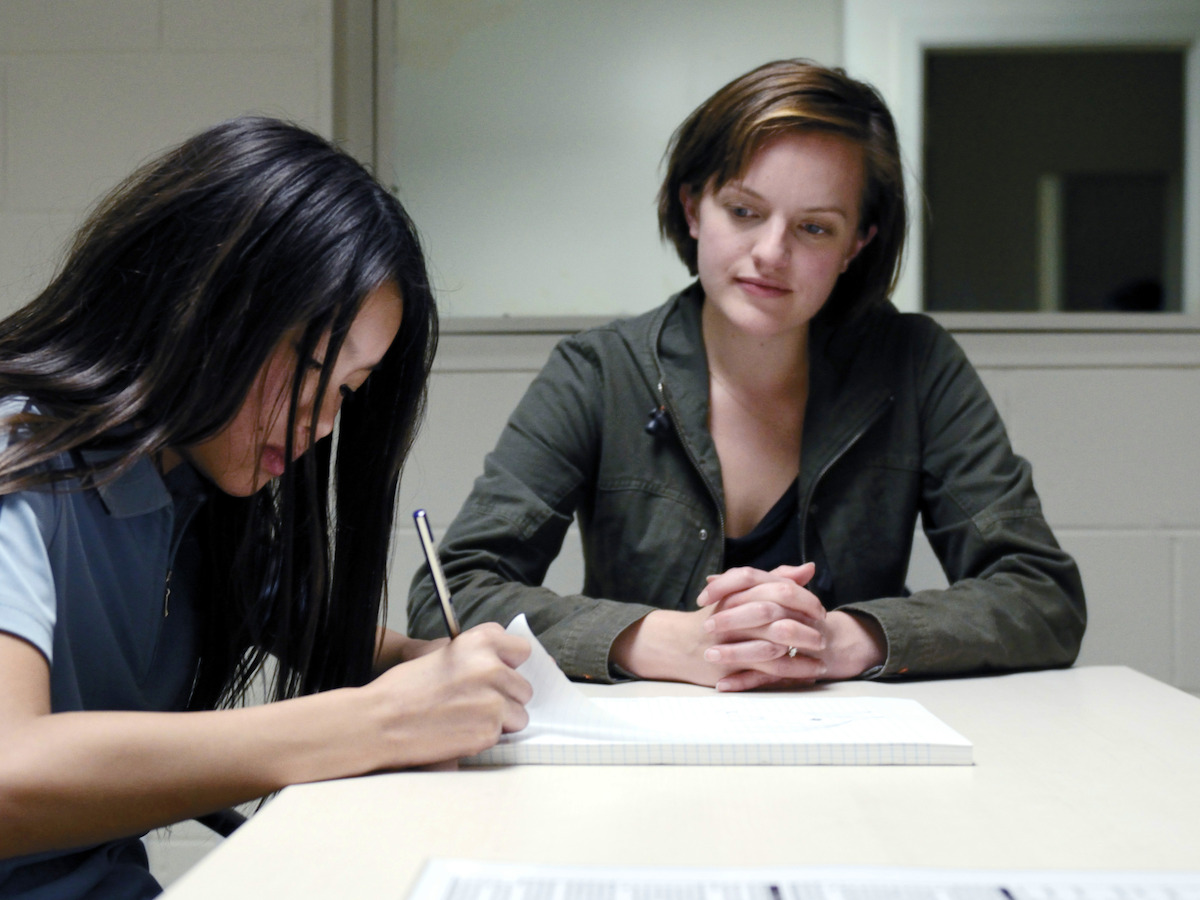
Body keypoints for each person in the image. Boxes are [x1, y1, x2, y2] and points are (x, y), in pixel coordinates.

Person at [407, 59, 1086, 691]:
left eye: (815, 228)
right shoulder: (598, 371)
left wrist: (844, 639)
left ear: (858, 243)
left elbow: (1042, 595)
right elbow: (450, 596)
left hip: (855, 744)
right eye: (743, 211)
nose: (771, 252)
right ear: (692, 207)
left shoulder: (915, 363)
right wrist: (666, 642)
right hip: (642, 753)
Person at [0, 116, 531, 899]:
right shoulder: (19, 453)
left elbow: (340, 643)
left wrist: (440, 669)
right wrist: (377, 721)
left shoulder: (192, 488)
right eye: (313, 367)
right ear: (198, 299)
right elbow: (10, 771)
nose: (324, 422)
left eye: (349, 389)